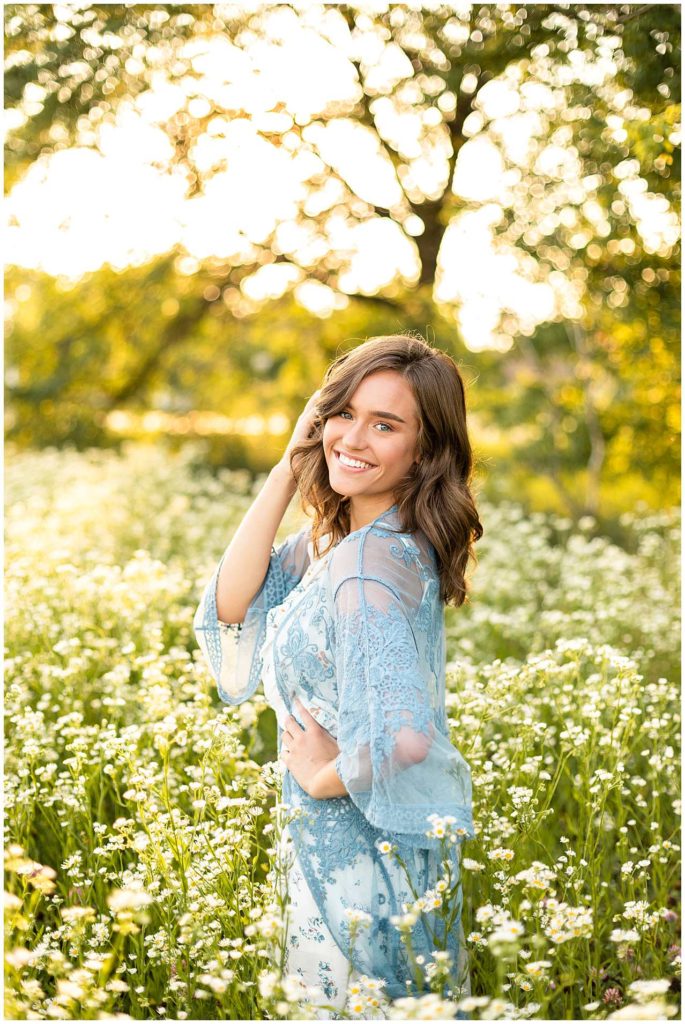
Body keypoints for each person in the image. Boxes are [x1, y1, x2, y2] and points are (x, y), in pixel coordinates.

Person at [194, 333, 483, 1019]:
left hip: (358, 859)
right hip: (340, 847)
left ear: (423, 449)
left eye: (385, 424)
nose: (352, 436)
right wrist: (291, 466)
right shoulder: (348, 543)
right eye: (343, 413)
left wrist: (322, 776)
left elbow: (407, 738)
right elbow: (233, 603)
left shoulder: (363, 567)